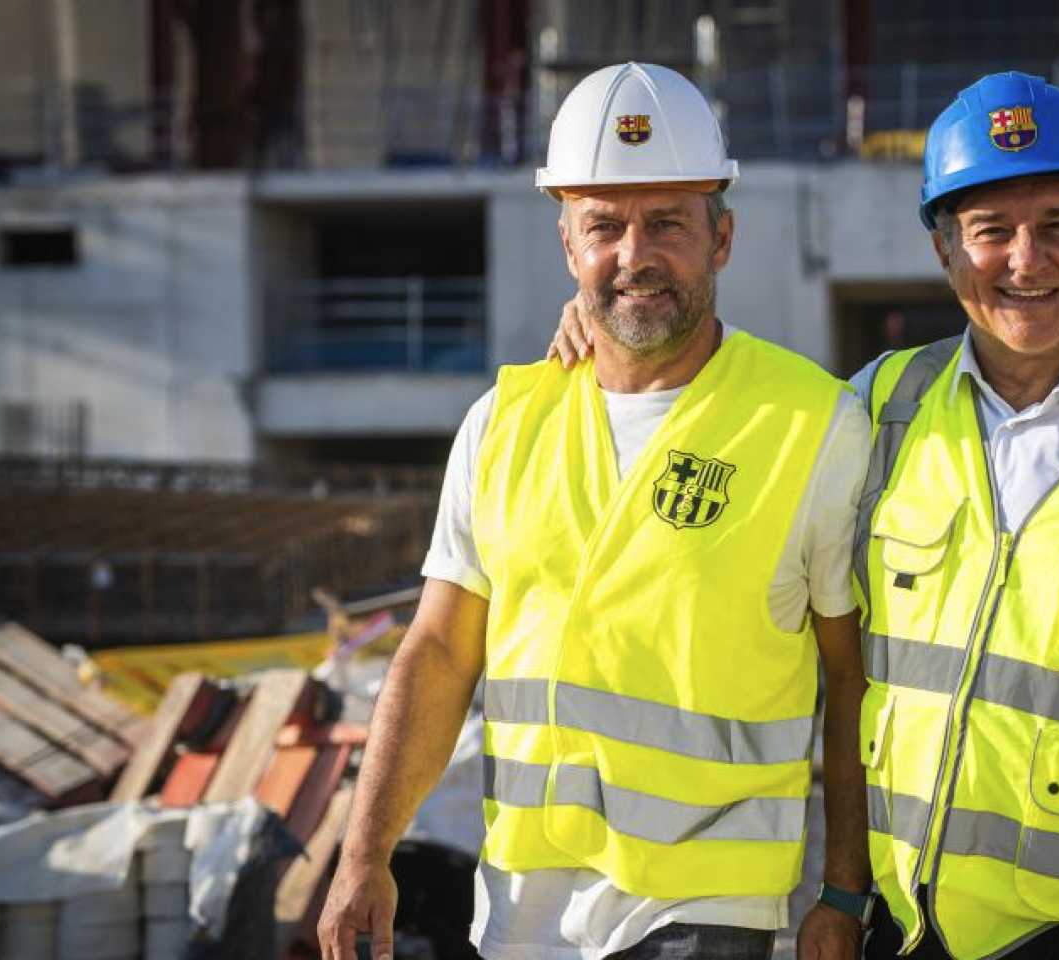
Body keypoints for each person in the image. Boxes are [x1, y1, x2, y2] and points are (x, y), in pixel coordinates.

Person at [550, 71, 1059, 960]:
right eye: (990, 231)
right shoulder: (878, 408)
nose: (1025, 261)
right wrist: (604, 329)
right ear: (946, 254)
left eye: (1058, 227)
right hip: (913, 928)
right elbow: (730, 430)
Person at [317, 63, 873, 960]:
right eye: (604, 226)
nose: (633, 255)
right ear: (567, 244)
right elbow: (438, 648)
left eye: (667, 224)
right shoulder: (504, 421)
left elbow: (852, 682)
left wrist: (843, 891)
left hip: (706, 905)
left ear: (722, 237)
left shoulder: (814, 426)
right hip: (519, 911)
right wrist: (363, 852)